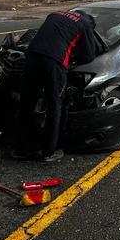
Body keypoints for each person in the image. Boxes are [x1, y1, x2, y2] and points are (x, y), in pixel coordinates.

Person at [16, 9, 97, 162]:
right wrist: (74, 56)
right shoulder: (86, 24)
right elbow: (88, 56)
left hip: (31, 56)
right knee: (55, 106)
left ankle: (20, 148)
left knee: (27, 103)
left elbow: (51, 35)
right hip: (53, 63)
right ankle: (49, 151)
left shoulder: (56, 14)